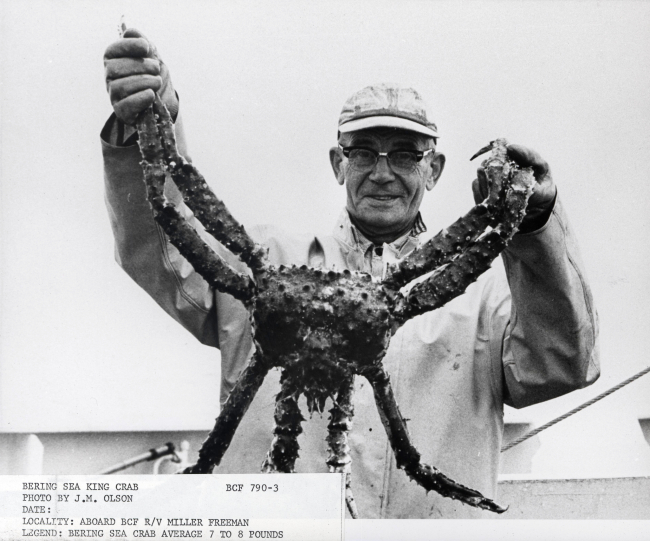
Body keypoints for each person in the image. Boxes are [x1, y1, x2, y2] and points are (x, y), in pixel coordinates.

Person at [102, 29, 600, 519]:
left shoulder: (486, 297)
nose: (382, 171)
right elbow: (164, 241)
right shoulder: (265, 263)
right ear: (339, 163)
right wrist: (151, 120)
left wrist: (532, 221)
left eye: (406, 154)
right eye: (363, 151)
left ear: (435, 169)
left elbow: (561, 364)